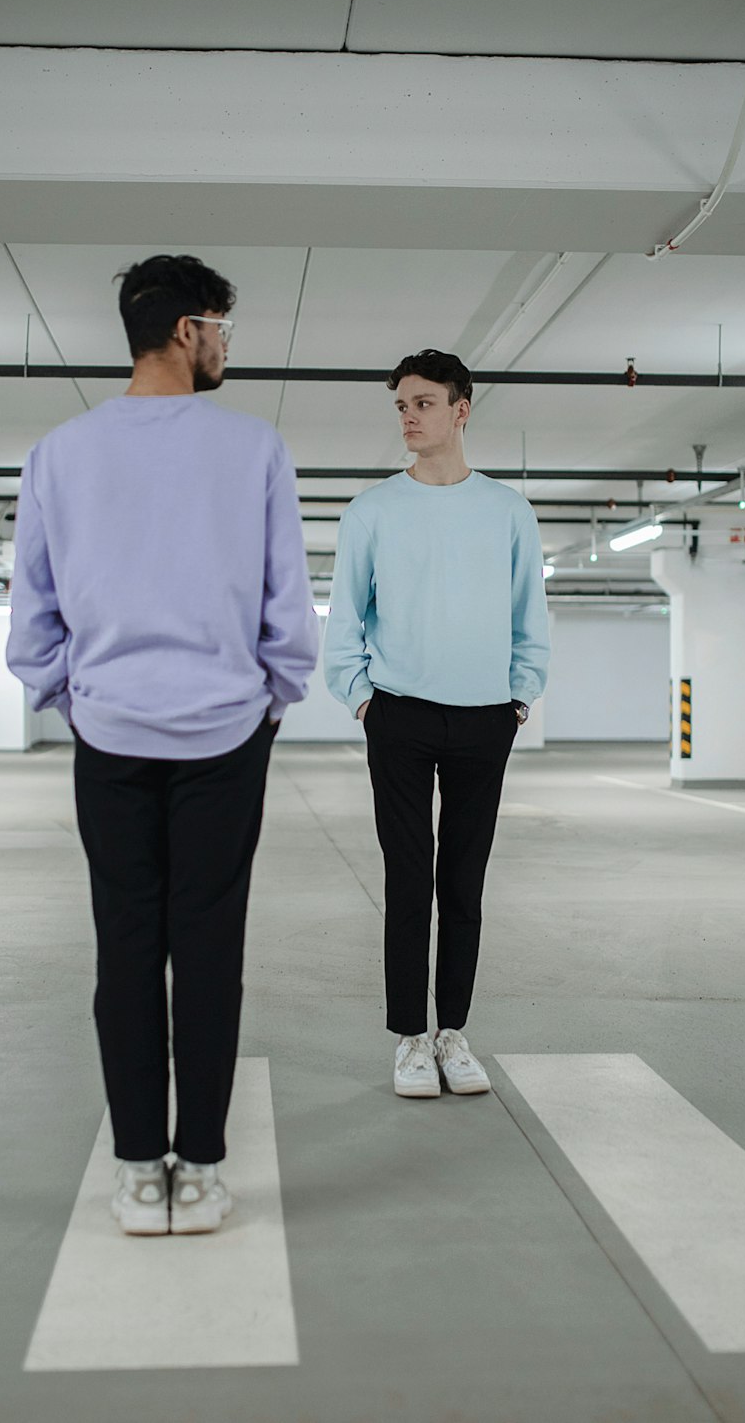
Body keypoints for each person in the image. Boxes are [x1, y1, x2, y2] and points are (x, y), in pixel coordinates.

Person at [7, 254, 318, 1236]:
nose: (226, 345)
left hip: (109, 732)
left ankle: (140, 1169)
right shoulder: (255, 447)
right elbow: (286, 606)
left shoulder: (58, 453)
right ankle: (206, 1165)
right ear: (188, 330)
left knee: (127, 946)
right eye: (223, 326)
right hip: (227, 733)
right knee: (209, 946)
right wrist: (268, 698)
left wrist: (75, 698)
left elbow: (32, 617)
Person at [323, 349, 549, 1099]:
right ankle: (408, 1039)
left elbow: (529, 617)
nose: (408, 417)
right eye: (401, 406)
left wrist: (520, 698)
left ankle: (453, 1030)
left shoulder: (508, 511)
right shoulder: (373, 510)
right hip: (400, 716)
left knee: (464, 880)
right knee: (408, 878)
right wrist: (362, 700)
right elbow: (344, 618)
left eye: (422, 403)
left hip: (487, 718)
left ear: (461, 410)